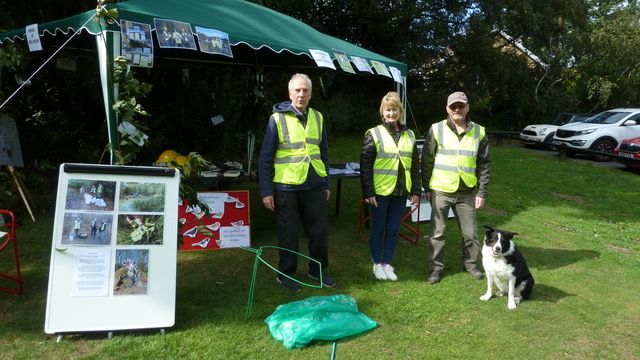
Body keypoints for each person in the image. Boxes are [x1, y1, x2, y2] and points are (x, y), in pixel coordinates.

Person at [258, 73, 334, 292]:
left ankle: (317, 270)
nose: (301, 94)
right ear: (290, 93)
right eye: (297, 90)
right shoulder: (277, 119)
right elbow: (265, 158)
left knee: (319, 232)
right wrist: (265, 191)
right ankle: (285, 274)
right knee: (288, 234)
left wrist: (326, 183)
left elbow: (324, 153)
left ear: (311, 94)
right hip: (287, 187)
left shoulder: (318, 118)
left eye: (306, 90)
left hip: (315, 184)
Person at [421, 91, 491, 284]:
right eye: (453, 107)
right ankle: (436, 268)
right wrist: (426, 186)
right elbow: (427, 160)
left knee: (470, 233)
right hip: (441, 189)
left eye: (461, 106)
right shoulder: (436, 129)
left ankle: (470, 264)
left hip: (467, 191)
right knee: (437, 232)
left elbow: (484, 164)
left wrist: (482, 192)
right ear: (447, 109)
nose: (457, 109)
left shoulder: (479, 131)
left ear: (468, 107)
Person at [359, 92, 421, 281]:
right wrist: (368, 192)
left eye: (394, 109)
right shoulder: (374, 133)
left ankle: (387, 264)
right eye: (388, 110)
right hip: (380, 191)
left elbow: (414, 165)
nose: (391, 113)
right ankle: (377, 264)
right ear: (382, 112)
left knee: (393, 229)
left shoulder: (409, 134)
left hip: (401, 191)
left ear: (400, 111)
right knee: (379, 229)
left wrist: (416, 191)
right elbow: (365, 166)